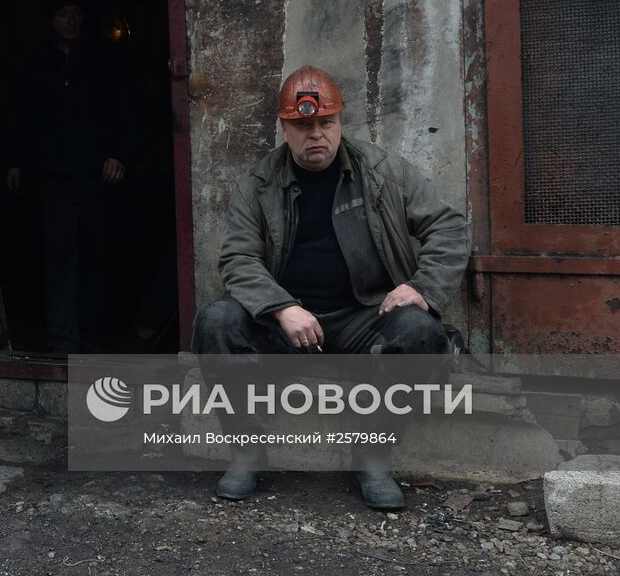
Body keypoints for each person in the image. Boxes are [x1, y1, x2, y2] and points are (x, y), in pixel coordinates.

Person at [192, 65, 469, 510]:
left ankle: (372, 453)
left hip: (365, 316)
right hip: (291, 325)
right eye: (302, 125)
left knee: (420, 331)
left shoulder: (379, 171)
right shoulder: (258, 184)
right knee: (217, 321)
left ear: (341, 123)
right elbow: (238, 259)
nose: (315, 134)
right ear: (285, 128)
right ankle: (248, 450)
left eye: (326, 123)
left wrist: (421, 288)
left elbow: (449, 226)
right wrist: (281, 307)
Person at [6, 0, 132, 353]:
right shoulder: (37, 61)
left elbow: (125, 109)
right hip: (53, 176)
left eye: (77, 13)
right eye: (63, 13)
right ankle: (63, 340)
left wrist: (119, 155)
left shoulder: (104, 57)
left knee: (94, 254)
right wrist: (16, 161)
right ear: (52, 18)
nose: (71, 21)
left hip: (96, 174)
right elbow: (23, 115)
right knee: (60, 255)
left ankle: (92, 337)